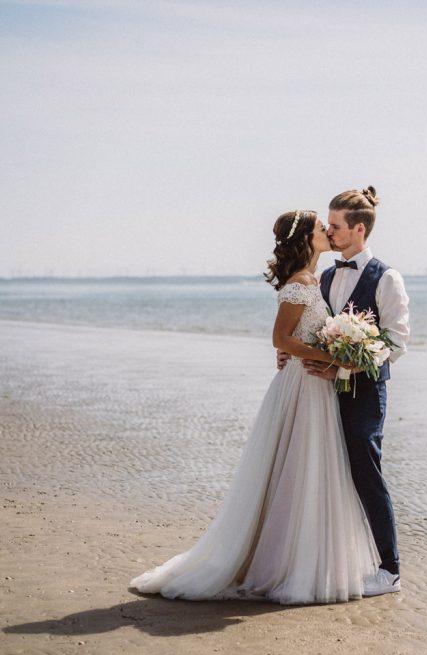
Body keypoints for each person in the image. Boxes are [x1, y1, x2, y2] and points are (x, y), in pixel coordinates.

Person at [130, 210, 379, 604]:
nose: (328, 232)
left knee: (307, 469)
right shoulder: (300, 284)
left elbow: (294, 339)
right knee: (297, 466)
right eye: (321, 228)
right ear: (306, 239)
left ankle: (300, 556)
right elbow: (280, 338)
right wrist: (331, 357)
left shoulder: (314, 280)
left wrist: (332, 353)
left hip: (313, 384)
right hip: (303, 385)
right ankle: (283, 563)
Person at [285, 186, 410, 597]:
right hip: (319, 394)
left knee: (365, 474)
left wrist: (343, 365)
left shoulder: (386, 277)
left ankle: (389, 571)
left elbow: (395, 344)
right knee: (326, 473)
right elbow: (314, 328)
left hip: (364, 394)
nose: (329, 231)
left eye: (335, 226)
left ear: (358, 229)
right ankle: (332, 561)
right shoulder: (324, 275)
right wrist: (290, 352)